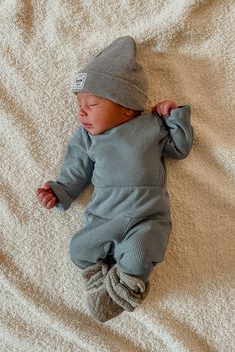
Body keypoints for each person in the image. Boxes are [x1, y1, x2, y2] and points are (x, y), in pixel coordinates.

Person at [36, 36, 194, 322]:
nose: (81, 111)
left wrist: (173, 116)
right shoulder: (87, 137)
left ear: (126, 106)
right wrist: (60, 190)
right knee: (79, 250)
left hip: (148, 217)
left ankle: (124, 288)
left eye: (91, 103)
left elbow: (180, 148)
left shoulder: (151, 126)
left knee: (139, 255)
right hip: (103, 217)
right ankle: (100, 281)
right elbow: (76, 168)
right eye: (79, 104)